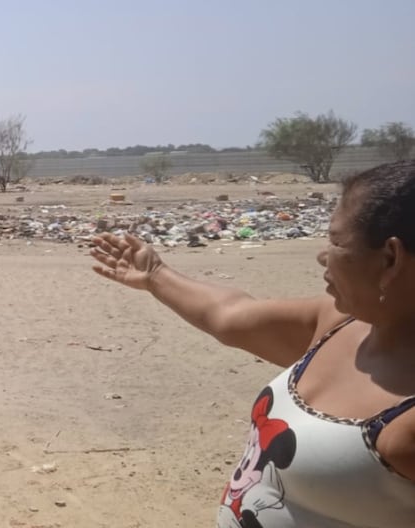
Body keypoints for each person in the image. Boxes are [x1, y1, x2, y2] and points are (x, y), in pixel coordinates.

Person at [90, 160, 415, 527]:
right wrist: (156, 276)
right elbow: (231, 316)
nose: (323, 255)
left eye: (337, 241)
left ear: (390, 258)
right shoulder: (338, 325)